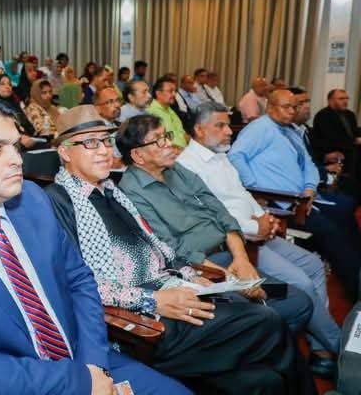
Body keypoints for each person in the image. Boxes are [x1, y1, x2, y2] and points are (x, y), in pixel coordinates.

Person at [0, 96, 191, 395]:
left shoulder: (31, 199)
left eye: (15, 146)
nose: (17, 159)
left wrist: (94, 366)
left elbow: (79, 280)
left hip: (87, 357)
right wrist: (80, 383)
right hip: (15, 384)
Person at [44, 106, 317, 394]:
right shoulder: (57, 202)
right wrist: (154, 300)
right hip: (142, 320)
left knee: (264, 377)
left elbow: (161, 248)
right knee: (267, 320)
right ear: (64, 152)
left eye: (105, 140)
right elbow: (77, 284)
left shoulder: (112, 190)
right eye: (90, 142)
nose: (103, 150)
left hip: (182, 285)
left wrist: (193, 276)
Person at [178, 101, 341, 376]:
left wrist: (265, 217)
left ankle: (320, 350)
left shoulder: (220, 156)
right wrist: (256, 226)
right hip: (237, 243)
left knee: (313, 265)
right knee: (301, 283)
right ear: (199, 130)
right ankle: (339, 349)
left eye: (228, 124)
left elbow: (241, 194)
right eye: (220, 125)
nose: (229, 131)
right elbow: (211, 216)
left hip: (257, 233)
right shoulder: (187, 166)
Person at [118, 115, 314, 334]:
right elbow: (170, 248)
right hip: (200, 273)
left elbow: (220, 211)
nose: (169, 144)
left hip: (232, 256)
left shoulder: (176, 169)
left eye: (167, 136)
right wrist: (231, 280)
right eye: (159, 140)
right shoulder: (131, 192)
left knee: (297, 300)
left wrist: (242, 260)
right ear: (138, 155)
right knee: (265, 316)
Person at [228, 89, 361, 298]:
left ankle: (356, 278)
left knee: (346, 217)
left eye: (294, 107)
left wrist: (309, 188)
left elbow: (308, 164)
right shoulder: (259, 128)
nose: (292, 111)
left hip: (304, 197)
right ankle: (355, 290)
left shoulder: (290, 130)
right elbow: (236, 156)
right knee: (333, 233)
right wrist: (253, 188)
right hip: (282, 203)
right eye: (286, 107)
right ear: (270, 107)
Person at [312, 89, 360, 180]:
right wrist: (354, 140)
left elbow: (355, 132)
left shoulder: (350, 114)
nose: (345, 101)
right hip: (332, 154)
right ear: (330, 100)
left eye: (346, 98)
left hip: (351, 153)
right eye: (341, 99)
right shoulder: (323, 115)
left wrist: (356, 139)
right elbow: (331, 138)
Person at [0, 74, 37, 148]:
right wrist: (19, 138)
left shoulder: (14, 105)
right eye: (2, 84)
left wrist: (29, 137)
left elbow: (27, 127)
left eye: (9, 84)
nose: (7, 87)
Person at [146, 76, 187, 148]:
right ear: (158, 93)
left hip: (184, 149)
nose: (174, 94)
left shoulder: (170, 110)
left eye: (175, 91)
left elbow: (183, 134)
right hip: (171, 152)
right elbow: (159, 142)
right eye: (170, 91)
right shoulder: (151, 112)